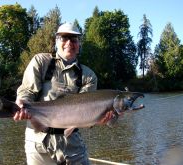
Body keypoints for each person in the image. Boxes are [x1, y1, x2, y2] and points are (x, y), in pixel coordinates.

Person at [13, 22, 114, 165]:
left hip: (71, 142)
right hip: (37, 141)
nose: (69, 43)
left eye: (74, 39)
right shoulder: (41, 61)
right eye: (64, 38)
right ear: (56, 41)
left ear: (79, 44)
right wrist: (22, 103)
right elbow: (27, 91)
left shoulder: (89, 76)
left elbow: (86, 114)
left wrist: (99, 118)